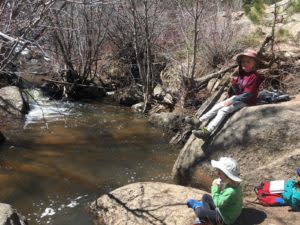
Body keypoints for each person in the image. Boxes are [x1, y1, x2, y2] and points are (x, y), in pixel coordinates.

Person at [187, 49, 263, 139]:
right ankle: (199, 121)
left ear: (254, 64)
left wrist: (232, 100)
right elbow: (238, 91)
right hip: (238, 98)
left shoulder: (254, 77)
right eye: (243, 61)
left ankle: (207, 132)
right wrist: (234, 85)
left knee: (223, 110)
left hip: (248, 101)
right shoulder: (242, 75)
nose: (244, 63)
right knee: (218, 105)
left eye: (248, 61)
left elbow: (248, 94)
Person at [186, 157, 243, 225]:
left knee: (200, 211)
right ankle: (203, 209)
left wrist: (215, 188)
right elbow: (222, 198)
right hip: (223, 210)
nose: (217, 174)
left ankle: (202, 216)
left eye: (220, 173)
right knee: (205, 197)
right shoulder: (233, 185)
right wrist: (219, 188)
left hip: (224, 219)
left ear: (228, 176)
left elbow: (218, 203)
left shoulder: (231, 192)